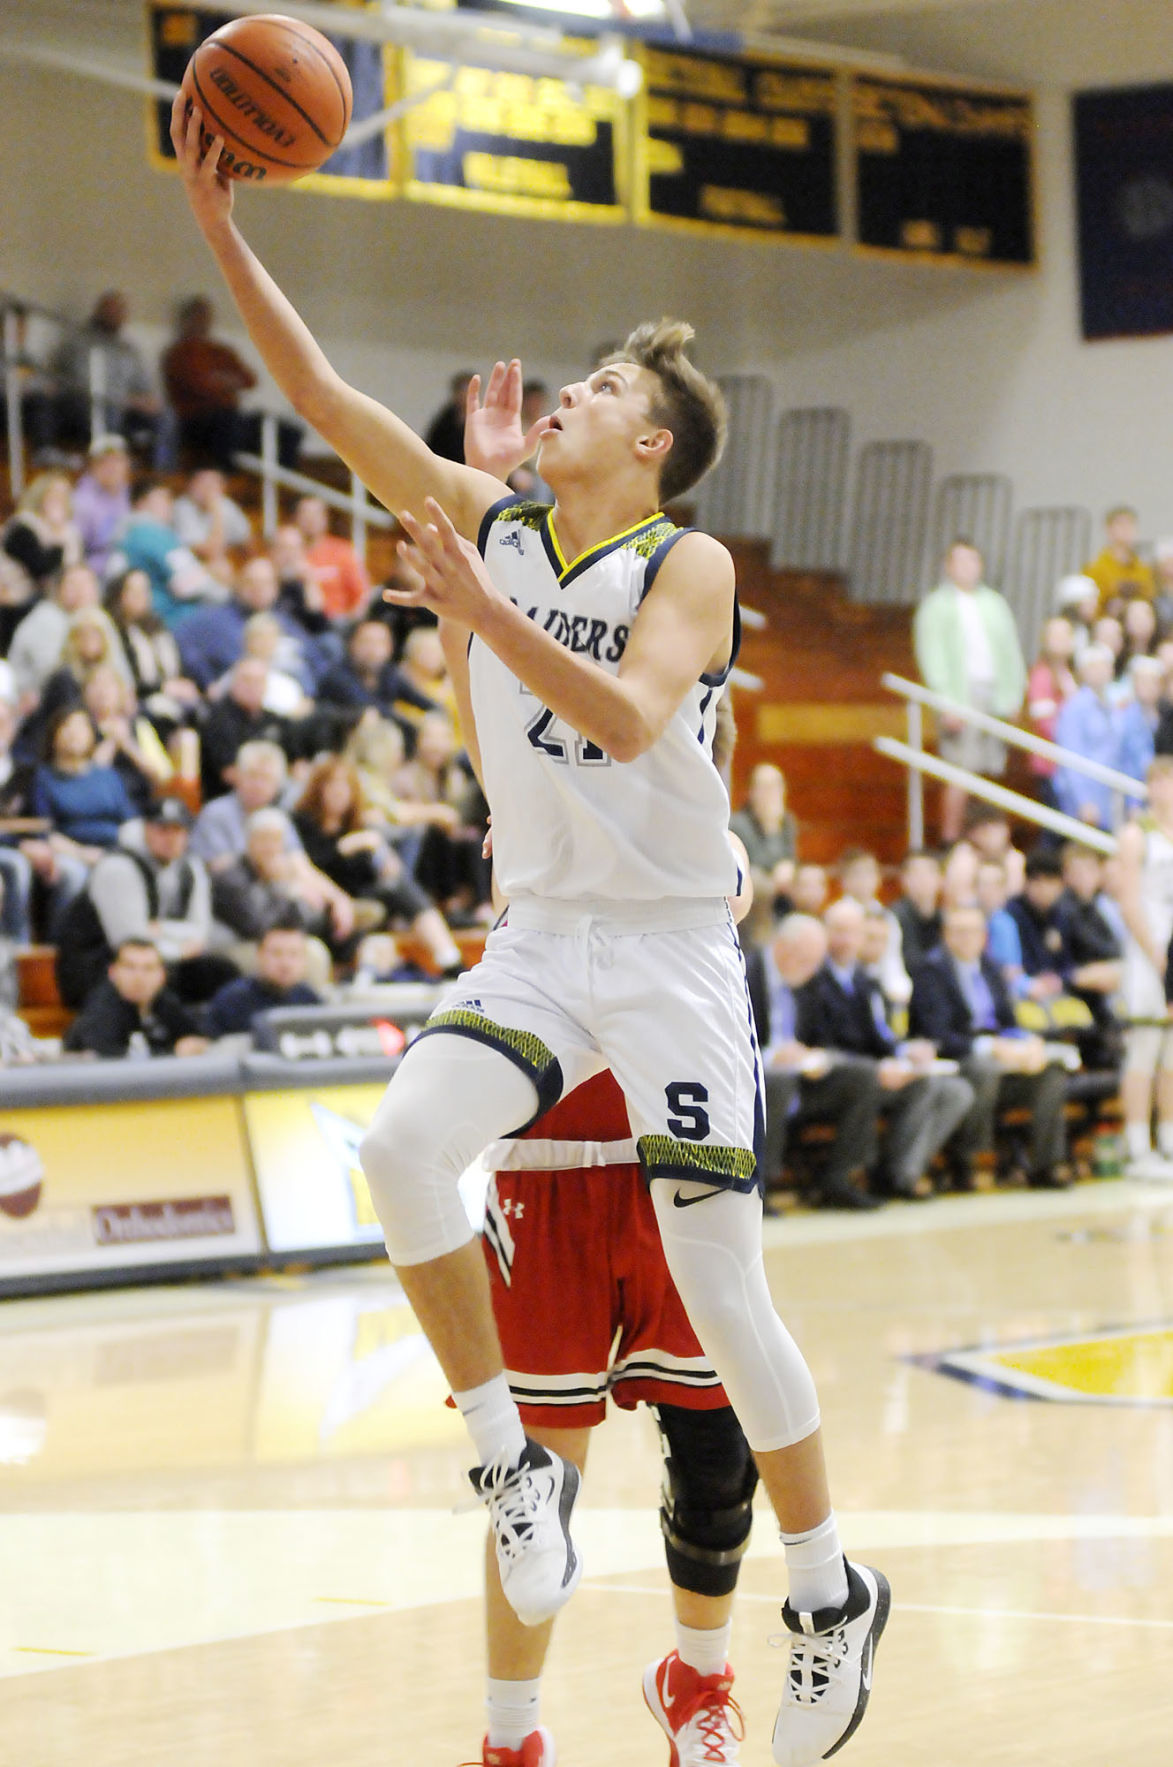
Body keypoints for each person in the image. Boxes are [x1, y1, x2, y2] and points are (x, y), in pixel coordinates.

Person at [173, 105, 889, 1767]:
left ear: (647, 449)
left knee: (725, 1293)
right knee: (403, 1147)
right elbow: (325, 400)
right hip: (546, 937)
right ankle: (509, 1469)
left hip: (667, 949)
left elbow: (637, 724)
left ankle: (827, 1583)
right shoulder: (486, 516)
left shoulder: (684, 559)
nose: (567, 396)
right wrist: (220, 226)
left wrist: (483, 617)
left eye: (606, 394)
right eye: (571, 386)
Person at [478, 1069, 752, 1767]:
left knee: (716, 1457)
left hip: (685, 1166)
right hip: (545, 1173)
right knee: (532, 1487)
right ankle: (511, 1739)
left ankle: (695, 1682)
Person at [798, 898, 973, 1200]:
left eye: (854, 932)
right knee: (894, 1082)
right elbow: (817, 1043)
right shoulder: (812, 978)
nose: (846, 939)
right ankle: (859, 1174)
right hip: (832, 1075)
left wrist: (905, 1053)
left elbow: (878, 1038)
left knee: (948, 1089)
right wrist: (880, 1068)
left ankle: (900, 1172)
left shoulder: (862, 980)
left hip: (868, 1069)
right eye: (838, 930)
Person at [909, 904, 1070, 1190]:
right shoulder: (929, 970)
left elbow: (1009, 1021)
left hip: (1000, 1054)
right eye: (959, 932)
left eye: (973, 931)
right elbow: (939, 1034)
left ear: (984, 936)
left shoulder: (991, 968)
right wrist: (990, 1047)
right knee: (985, 1068)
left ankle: (1047, 1164)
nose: (967, 938)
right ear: (946, 935)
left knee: (1051, 1069)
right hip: (959, 1059)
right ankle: (972, 1161)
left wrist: (1028, 1043)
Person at [745, 914, 882, 1212]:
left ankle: (839, 1179)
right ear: (782, 948)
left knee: (862, 1075)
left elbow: (825, 1038)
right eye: (806, 959)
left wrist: (816, 1057)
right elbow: (726, 1042)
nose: (812, 969)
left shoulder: (808, 979)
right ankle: (759, 1187)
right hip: (750, 1083)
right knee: (778, 1081)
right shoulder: (744, 973)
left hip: (801, 1080)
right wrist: (771, 1056)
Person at [292, 755, 463, 974]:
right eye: (332, 785)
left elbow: (384, 868)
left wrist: (380, 853)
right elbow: (310, 865)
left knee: (399, 886)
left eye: (345, 786)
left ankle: (449, 958)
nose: (339, 792)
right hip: (324, 897)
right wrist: (347, 846)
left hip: (360, 892)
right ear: (318, 788)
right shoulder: (301, 823)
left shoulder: (359, 824)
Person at [53, 797, 228, 1010]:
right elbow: (129, 944)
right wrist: (182, 948)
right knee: (144, 973)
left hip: (157, 964)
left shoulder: (191, 867)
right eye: (162, 829)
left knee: (221, 972)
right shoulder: (118, 867)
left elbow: (201, 933)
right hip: (96, 971)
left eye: (178, 830)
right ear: (145, 829)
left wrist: (161, 929)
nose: (170, 838)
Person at [913, 539, 1027, 841]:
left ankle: (984, 837)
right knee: (960, 770)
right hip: (960, 694)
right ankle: (950, 839)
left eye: (973, 560)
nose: (967, 567)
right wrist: (946, 701)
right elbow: (932, 655)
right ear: (949, 566)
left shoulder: (995, 603)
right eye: (960, 561)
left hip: (995, 692)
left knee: (990, 768)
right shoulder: (936, 606)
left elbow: (1010, 650)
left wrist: (1013, 694)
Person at [1113, 758, 1173, 1178]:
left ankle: (1168, 1137)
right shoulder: (1136, 836)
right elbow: (1129, 901)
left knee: (1172, 1053)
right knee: (1144, 1048)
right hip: (1147, 946)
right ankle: (1137, 1144)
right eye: (1159, 781)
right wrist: (1157, 955)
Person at [161, 295, 303, 471]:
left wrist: (217, 380)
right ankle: (226, 476)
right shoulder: (178, 353)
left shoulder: (220, 351)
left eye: (206, 316)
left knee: (287, 431)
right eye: (197, 316)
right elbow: (197, 385)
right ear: (186, 319)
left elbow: (249, 379)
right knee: (227, 425)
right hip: (196, 420)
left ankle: (283, 484)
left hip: (230, 415)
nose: (203, 321)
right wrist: (225, 381)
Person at [104, 479, 225, 629]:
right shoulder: (150, 532)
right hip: (165, 621)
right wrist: (225, 596)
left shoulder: (126, 533)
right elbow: (189, 584)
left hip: (141, 619)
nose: (169, 505)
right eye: (162, 499)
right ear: (141, 504)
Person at [52, 294, 161, 461]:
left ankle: (162, 470)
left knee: (164, 415)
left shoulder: (128, 348)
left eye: (120, 311)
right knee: (109, 409)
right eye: (112, 310)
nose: (116, 315)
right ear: (99, 312)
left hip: (126, 406)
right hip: (84, 404)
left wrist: (148, 400)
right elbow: (86, 384)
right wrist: (125, 400)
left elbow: (143, 385)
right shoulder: (79, 342)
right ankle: (108, 463)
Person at [63, 936, 208, 1058]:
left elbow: (195, 1036)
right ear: (113, 972)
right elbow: (107, 1057)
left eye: (148, 968)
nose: (139, 977)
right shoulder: (102, 1009)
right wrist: (172, 1053)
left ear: (162, 975)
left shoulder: (164, 1002)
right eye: (130, 967)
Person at [202, 912, 320, 1036]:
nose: (285, 964)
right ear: (260, 955)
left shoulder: (310, 1001)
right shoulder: (231, 1002)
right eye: (276, 953)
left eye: (294, 954)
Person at [1052, 644, 1129, 830]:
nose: (1100, 672)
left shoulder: (1113, 707)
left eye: (1104, 666)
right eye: (1093, 667)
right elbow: (1070, 756)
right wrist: (1083, 801)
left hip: (1111, 797)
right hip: (1085, 799)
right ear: (1082, 672)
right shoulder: (1074, 708)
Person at [836, 846, 910, 1007]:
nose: (864, 880)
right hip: (848, 995)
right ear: (843, 880)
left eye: (869, 873)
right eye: (857, 873)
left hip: (884, 991)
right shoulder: (837, 917)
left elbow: (893, 961)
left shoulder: (888, 917)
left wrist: (899, 991)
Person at [729, 762, 797, 928]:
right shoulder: (738, 823)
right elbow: (755, 864)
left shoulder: (787, 821)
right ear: (752, 791)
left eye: (776, 786)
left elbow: (791, 859)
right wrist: (771, 827)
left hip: (782, 893)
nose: (771, 793)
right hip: (754, 894)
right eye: (765, 787)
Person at [1, 471, 84, 602]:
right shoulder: (22, 526)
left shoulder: (71, 532)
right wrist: (57, 535)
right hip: (17, 597)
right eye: (53, 496)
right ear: (40, 497)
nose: (59, 501)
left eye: (64, 496)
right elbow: (43, 572)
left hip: (56, 597)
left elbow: (75, 568)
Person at [1026, 616, 1076, 808]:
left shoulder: (1071, 673)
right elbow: (1043, 721)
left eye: (1066, 635)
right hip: (1050, 764)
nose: (1061, 640)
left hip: (1069, 762)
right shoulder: (1040, 674)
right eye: (1055, 635)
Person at [294, 494, 370, 620]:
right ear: (296, 518)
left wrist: (349, 623)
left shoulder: (342, 552)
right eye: (306, 514)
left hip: (336, 623)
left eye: (315, 514)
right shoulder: (289, 551)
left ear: (325, 519)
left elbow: (362, 595)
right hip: (298, 623)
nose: (310, 519)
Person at [71, 434, 133, 576]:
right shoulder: (81, 500)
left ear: (127, 464)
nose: (112, 468)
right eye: (103, 462)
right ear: (92, 467)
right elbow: (77, 549)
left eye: (117, 461)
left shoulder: (130, 494)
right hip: (96, 571)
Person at [1084, 506, 1156, 613]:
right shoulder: (1095, 568)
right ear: (1108, 529)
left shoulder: (1143, 568)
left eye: (1130, 524)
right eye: (1121, 524)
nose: (1126, 529)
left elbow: (1150, 597)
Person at [891, 849, 943, 973]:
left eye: (929, 872)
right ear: (903, 879)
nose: (923, 879)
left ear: (941, 879)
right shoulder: (894, 918)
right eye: (916, 873)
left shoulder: (944, 919)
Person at [424, 368, 475, 463]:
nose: (466, 395)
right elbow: (432, 448)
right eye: (463, 390)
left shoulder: (481, 420)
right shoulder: (445, 420)